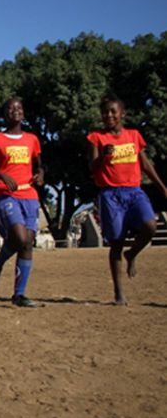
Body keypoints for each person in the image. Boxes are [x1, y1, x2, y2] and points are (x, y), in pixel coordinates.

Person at [87, 95, 167, 305]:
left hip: (134, 191)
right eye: (105, 112)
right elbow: (92, 168)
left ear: (122, 114)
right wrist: (103, 156)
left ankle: (132, 254)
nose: (109, 115)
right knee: (116, 242)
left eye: (113, 111)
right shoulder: (96, 137)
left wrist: (161, 186)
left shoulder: (133, 135)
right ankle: (119, 293)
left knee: (150, 226)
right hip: (110, 194)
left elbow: (146, 164)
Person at [0, 97, 44, 307]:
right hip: (5, 195)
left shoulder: (32, 139)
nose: (15, 110)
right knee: (19, 235)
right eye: (10, 108)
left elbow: (39, 166)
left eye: (19, 107)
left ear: (23, 113)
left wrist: (40, 175)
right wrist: (0, 175)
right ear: (5, 114)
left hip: (29, 196)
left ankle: (19, 295)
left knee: (27, 244)